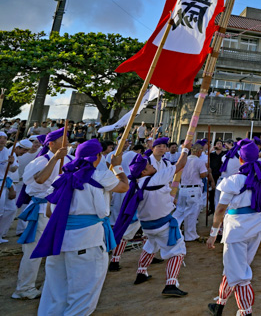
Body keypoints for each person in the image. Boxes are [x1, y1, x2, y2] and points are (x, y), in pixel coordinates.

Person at [32, 140, 129, 316]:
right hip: (87, 241)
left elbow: (49, 212)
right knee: (82, 299)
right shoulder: (100, 175)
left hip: (58, 241)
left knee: (54, 295)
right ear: (97, 157)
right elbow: (124, 186)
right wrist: (117, 167)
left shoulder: (61, 177)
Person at [206, 141, 261, 316]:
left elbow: (220, 209)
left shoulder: (234, 180)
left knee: (240, 275)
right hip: (256, 226)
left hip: (237, 230)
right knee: (233, 269)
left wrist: (213, 234)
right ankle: (219, 305)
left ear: (240, 159)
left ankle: (245, 312)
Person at [13, 128, 72, 300]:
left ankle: (53, 285)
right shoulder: (40, 161)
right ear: (52, 144)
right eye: (63, 139)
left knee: (59, 249)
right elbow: (40, 180)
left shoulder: (69, 159)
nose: (67, 142)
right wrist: (54, 159)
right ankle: (24, 288)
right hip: (40, 210)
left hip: (60, 210)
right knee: (34, 250)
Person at [130, 136, 190, 296]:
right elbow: (181, 164)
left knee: (151, 245)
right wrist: (185, 148)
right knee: (178, 251)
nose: (151, 165)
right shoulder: (155, 178)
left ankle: (141, 271)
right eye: (148, 166)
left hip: (147, 225)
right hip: (161, 224)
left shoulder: (137, 183)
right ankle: (171, 284)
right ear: (143, 171)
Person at [174, 142, 208, 242]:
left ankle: (172, 230)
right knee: (192, 214)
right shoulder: (199, 162)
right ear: (199, 151)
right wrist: (207, 171)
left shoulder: (184, 160)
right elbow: (202, 175)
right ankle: (190, 235)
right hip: (193, 189)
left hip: (183, 188)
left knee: (179, 211)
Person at [0, 133, 21, 242]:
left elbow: (12, 170)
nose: (2, 140)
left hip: (6, 183)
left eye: (5, 138)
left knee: (11, 209)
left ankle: (1, 233)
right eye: (0, 138)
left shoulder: (8, 152)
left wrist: (12, 163)